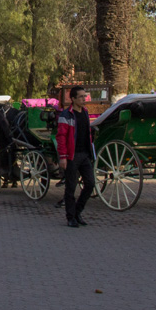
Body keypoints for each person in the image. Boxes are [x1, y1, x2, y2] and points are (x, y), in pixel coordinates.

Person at [57, 85, 96, 228]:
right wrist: (63, 156)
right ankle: (70, 217)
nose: (84, 99)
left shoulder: (85, 112)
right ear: (73, 99)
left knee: (90, 183)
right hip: (71, 156)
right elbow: (61, 136)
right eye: (81, 96)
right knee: (71, 187)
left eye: (84, 96)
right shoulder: (66, 115)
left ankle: (78, 211)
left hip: (84, 154)